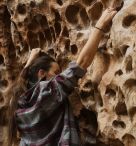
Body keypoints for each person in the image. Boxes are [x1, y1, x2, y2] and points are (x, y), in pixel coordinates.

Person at [5, 7, 117, 146]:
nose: (59, 76)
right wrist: (100, 25)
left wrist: (29, 63)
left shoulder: (18, 107)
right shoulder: (46, 93)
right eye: (56, 72)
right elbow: (81, 63)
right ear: (42, 74)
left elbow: (19, 86)